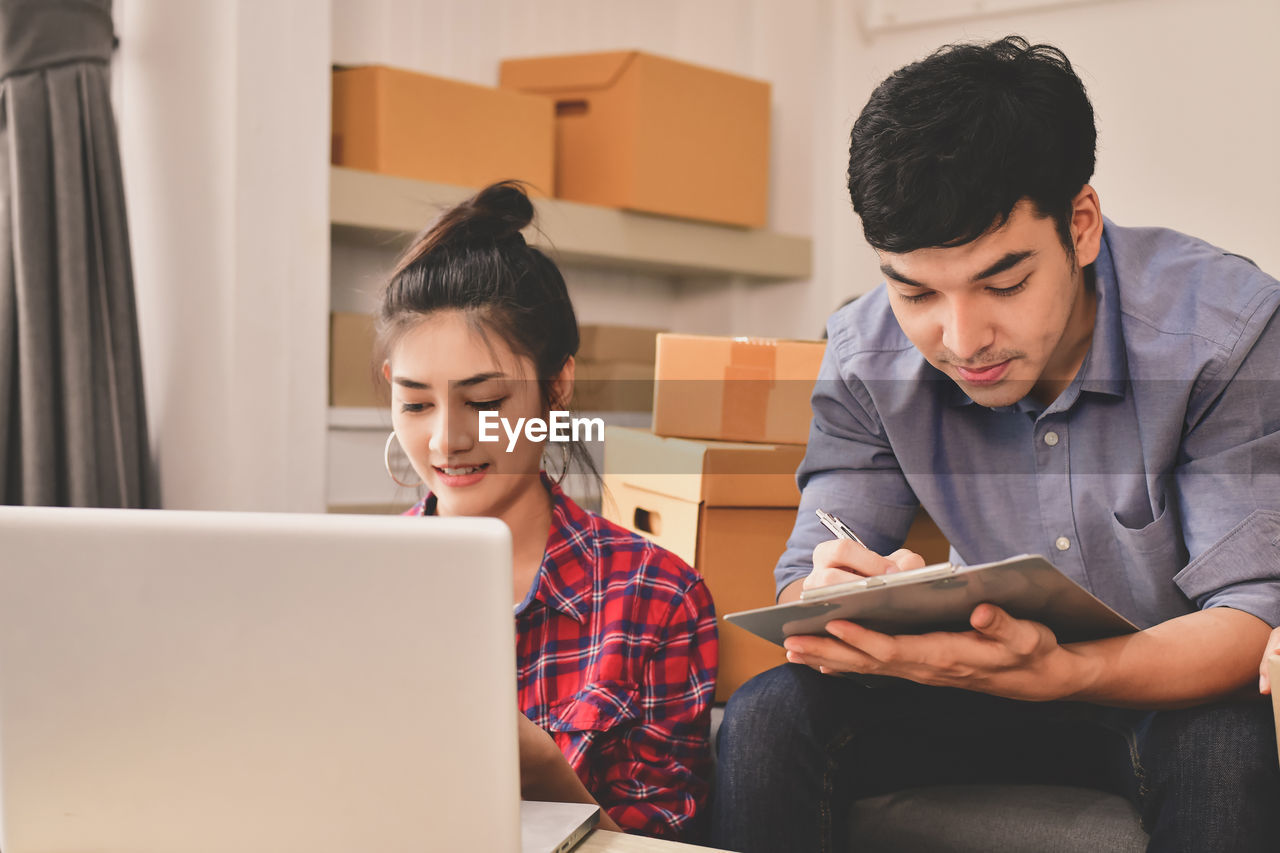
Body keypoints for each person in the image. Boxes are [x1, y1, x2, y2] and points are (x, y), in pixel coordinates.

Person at [711, 35, 1279, 852]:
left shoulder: (1221, 332)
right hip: (968, 681)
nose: (961, 336)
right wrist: (854, 596)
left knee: (1233, 749)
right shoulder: (866, 353)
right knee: (766, 717)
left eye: (1004, 282)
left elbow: (1252, 617)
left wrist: (1071, 669)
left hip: (1169, 688)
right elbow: (806, 581)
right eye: (914, 291)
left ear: (1080, 225)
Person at [375, 181, 718, 840]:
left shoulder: (658, 598)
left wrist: (547, 774)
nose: (446, 440)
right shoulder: (356, 586)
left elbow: (668, 841)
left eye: (484, 401)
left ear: (556, 383)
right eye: (417, 403)